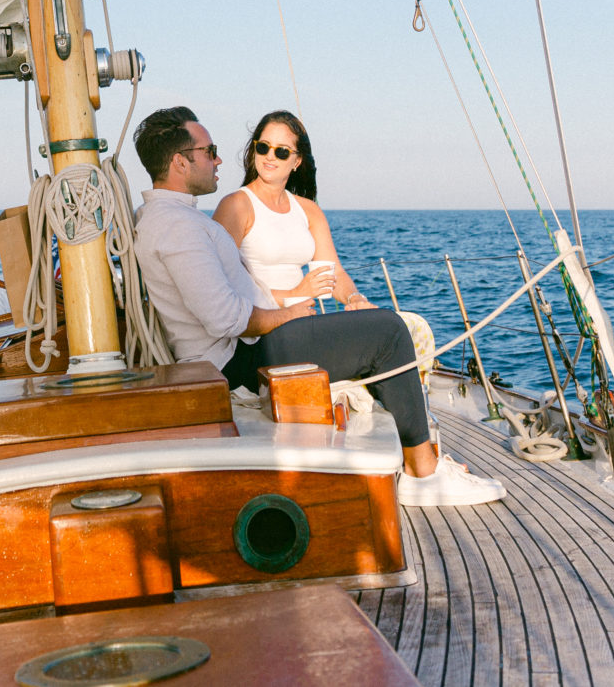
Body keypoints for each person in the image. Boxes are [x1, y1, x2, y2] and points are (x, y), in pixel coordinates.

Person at [130, 106, 503, 507]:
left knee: (380, 326)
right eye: (209, 151)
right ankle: (423, 473)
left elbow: (248, 296)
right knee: (388, 332)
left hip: (247, 343)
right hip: (236, 358)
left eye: (282, 151)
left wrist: (351, 301)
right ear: (180, 162)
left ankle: (415, 451)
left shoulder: (175, 219)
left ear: (297, 160)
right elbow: (226, 318)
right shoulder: (181, 226)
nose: (218, 159)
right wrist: (289, 310)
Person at [214, 110, 377, 313]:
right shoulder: (236, 205)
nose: (270, 156)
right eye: (263, 147)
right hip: (256, 324)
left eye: (281, 151)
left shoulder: (309, 210)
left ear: (297, 161)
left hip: (302, 320)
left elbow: (334, 273)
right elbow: (218, 283)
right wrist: (295, 294)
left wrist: (355, 299)